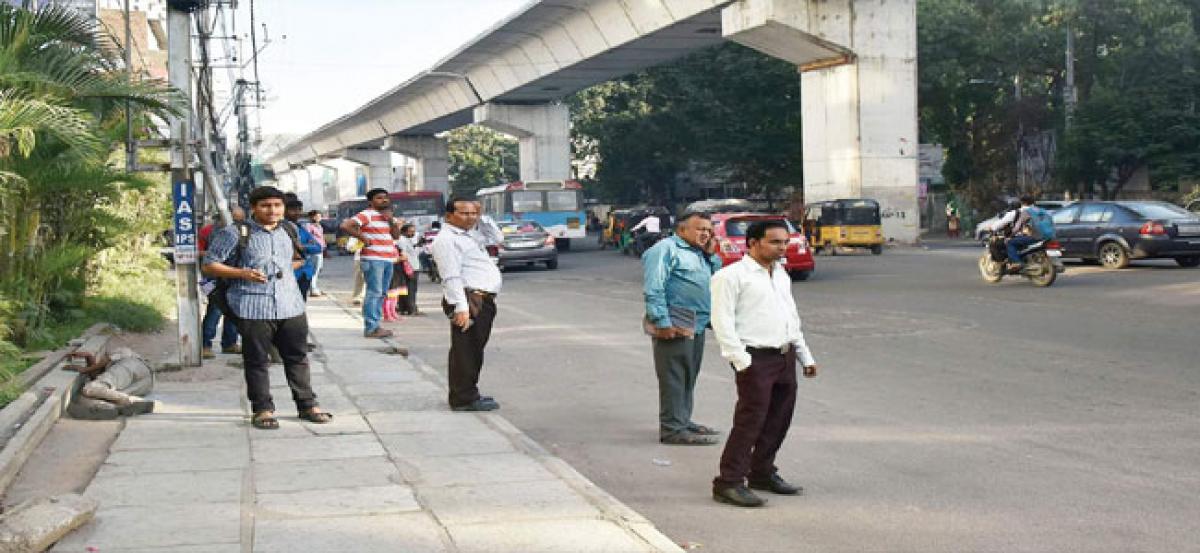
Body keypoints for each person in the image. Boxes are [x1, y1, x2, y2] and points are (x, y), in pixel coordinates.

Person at [202, 186, 332, 430]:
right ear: (254, 208)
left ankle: (307, 405)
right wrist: (242, 273)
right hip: (252, 306)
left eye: (277, 205)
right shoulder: (235, 233)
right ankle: (262, 409)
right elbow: (209, 265)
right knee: (257, 361)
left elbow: (299, 257)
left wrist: (283, 272)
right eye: (265, 206)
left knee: (298, 358)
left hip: (290, 305)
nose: (272, 210)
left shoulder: (290, 229)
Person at [710, 220, 817, 508]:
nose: (782, 248)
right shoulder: (730, 276)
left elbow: (790, 317)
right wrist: (741, 360)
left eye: (785, 242)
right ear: (753, 243)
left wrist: (804, 355)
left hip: (784, 355)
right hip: (754, 358)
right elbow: (722, 323)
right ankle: (729, 482)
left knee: (779, 418)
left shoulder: (780, 274)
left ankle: (762, 472)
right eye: (775, 242)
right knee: (750, 421)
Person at [641, 212, 724, 445]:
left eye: (708, 230)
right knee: (674, 376)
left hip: (695, 322)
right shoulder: (664, 250)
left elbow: (716, 278)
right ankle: (672, 429)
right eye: (700, 229)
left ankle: (682, 420)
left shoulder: (699, 253)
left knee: (688, 374)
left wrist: (710, 255)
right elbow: (653, 288)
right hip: (675, 319)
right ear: (682, 230)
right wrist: (662, 322)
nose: (705, 234)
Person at [431, 198, 503, 412]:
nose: (470, 217)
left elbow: (497, 237)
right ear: (448, 216)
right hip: (469, 299)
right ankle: (463, 398)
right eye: (464, 213)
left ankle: (469, 392)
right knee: (466, 350)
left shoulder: (468, 234)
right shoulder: (446, 240)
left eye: (473, 213)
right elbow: (450, 276)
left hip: (481, 298)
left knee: (473, 349)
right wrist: (461, 308)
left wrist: (483, 217)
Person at [341, 188, 401, 338]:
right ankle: (371, 327)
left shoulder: (387, 216)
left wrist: (391, 222)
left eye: (386, 198)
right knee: (374, 293)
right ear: (371, 201)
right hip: (373, 259)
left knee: (381, 293)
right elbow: (346, 225)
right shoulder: (367, 214)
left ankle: (376, 325)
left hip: (387, 259)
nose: (384, 200)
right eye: (379, 198)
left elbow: (396, 236)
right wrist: (363, 238)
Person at [199, 206, 245, 358]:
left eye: (240, 220)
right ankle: (205, 344)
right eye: (235, 219)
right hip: (210, 278)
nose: (238, 223)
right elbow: (196, 251)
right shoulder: (208, 231)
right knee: (214, 309)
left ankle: (230, 343)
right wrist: (215, 254)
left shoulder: (243, 232)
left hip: (231, 277)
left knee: (233, 309)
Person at [285, 200, 324, 300]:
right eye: (293, 210)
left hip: (304, 272)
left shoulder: (301, 228)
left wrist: (303, 247)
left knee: (301, 304)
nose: (297, 213)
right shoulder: (280, 228)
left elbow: (318, 247)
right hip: (288, 274)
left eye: (299, 210)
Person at [990, 195, 1037, 269]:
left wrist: (991, 228)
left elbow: (1000, 225)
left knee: (1004, 242)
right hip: (1042, 236)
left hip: (1027, 236)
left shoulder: (1016, 213)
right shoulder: (1039, 211)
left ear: (1022, 202)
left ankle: (1014, 262)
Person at [397, 223, 422, 316]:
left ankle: (403, 308)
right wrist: (408, 268)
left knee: (406, 289)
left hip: (412, 266)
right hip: (410, 267)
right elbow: (403, 254)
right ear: (404, 231)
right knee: (411, 289)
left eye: (414, 231)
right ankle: (411, 309)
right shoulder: (402, 240)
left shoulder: (407, 239)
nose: (413, 233)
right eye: (411, 231)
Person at [303, 210, 328, 297]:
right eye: (316, 216)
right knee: (313, 270)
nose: (318, 218)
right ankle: (312, 289)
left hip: (320, 250)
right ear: (311, 217)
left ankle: (314, 287)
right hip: (313, 251)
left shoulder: (319, 226)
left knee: (318, 269)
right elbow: (307, 238)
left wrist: (325, 249)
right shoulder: (308, 226)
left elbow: (321, 239)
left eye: (319, 216)